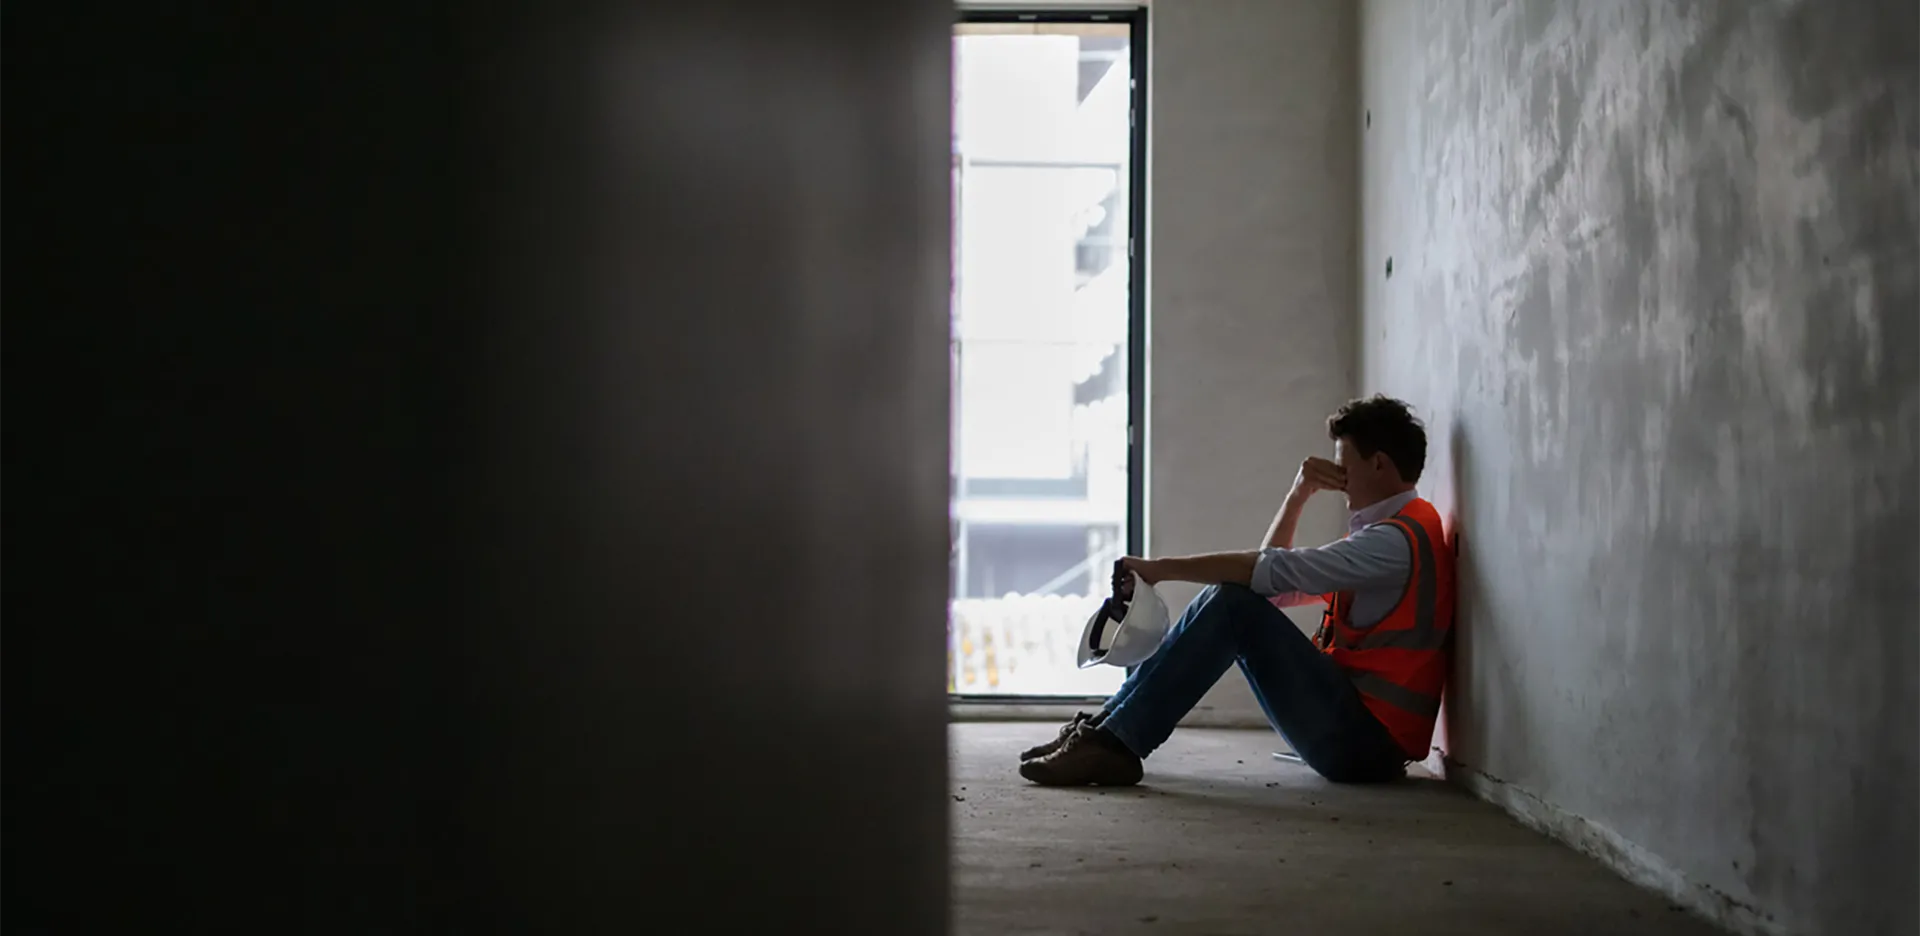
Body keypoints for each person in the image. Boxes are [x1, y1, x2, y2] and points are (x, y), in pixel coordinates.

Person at [1019, 395, 1454, 786]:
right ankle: (1104, 731)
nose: (1339, 477)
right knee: (1235, 599)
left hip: (1364, 746)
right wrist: (1299, 494)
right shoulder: (1393, 533)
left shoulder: (1393, 544)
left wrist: (1159, 569)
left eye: (1344, 465)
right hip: (1359, 735)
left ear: (1378, 464)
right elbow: (1273, 585)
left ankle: (1113, 744)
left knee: (1231, 604)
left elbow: (1266, 573)